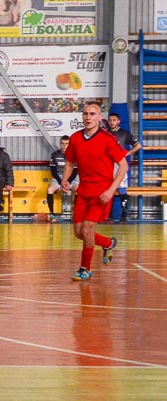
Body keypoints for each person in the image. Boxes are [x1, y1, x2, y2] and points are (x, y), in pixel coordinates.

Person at [62, 101, 128, 281]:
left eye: (92, 114)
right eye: (85, 114)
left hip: (102, 194)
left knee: (88, 228)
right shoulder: (75, 138)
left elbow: (123, 166)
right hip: (83, 191)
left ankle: (85, 268)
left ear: (100, 118)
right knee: (78, 232)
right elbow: (69, 162)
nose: (88, 117)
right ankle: (108, 243)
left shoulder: (108, 139)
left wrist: (111, 190)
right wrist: (65, 179)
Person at [107, 112, 141, 222]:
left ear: (118, 121)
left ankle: (124, 214)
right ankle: (109, 215)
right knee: (108, 189)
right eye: (110, 120)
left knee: (121, 189)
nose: (112, 122)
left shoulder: (124, 133)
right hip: (107, 164)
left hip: (119, 165)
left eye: (114, 120)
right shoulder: (105, 134)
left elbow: (138, 145)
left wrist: (127, 153)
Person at [47, 135, 78, 222]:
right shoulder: (55, 155)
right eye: (62, 143)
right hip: (58, 178)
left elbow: (75, 171)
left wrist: (68, 181)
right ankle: (52, 214)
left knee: (78, 190)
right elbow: (53, 171)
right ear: (60, 144)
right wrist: (61, 182)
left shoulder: (74, 155)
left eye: (66, 144)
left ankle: (76, 214)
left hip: (71, 178)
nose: (64, 146)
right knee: (50, 190)